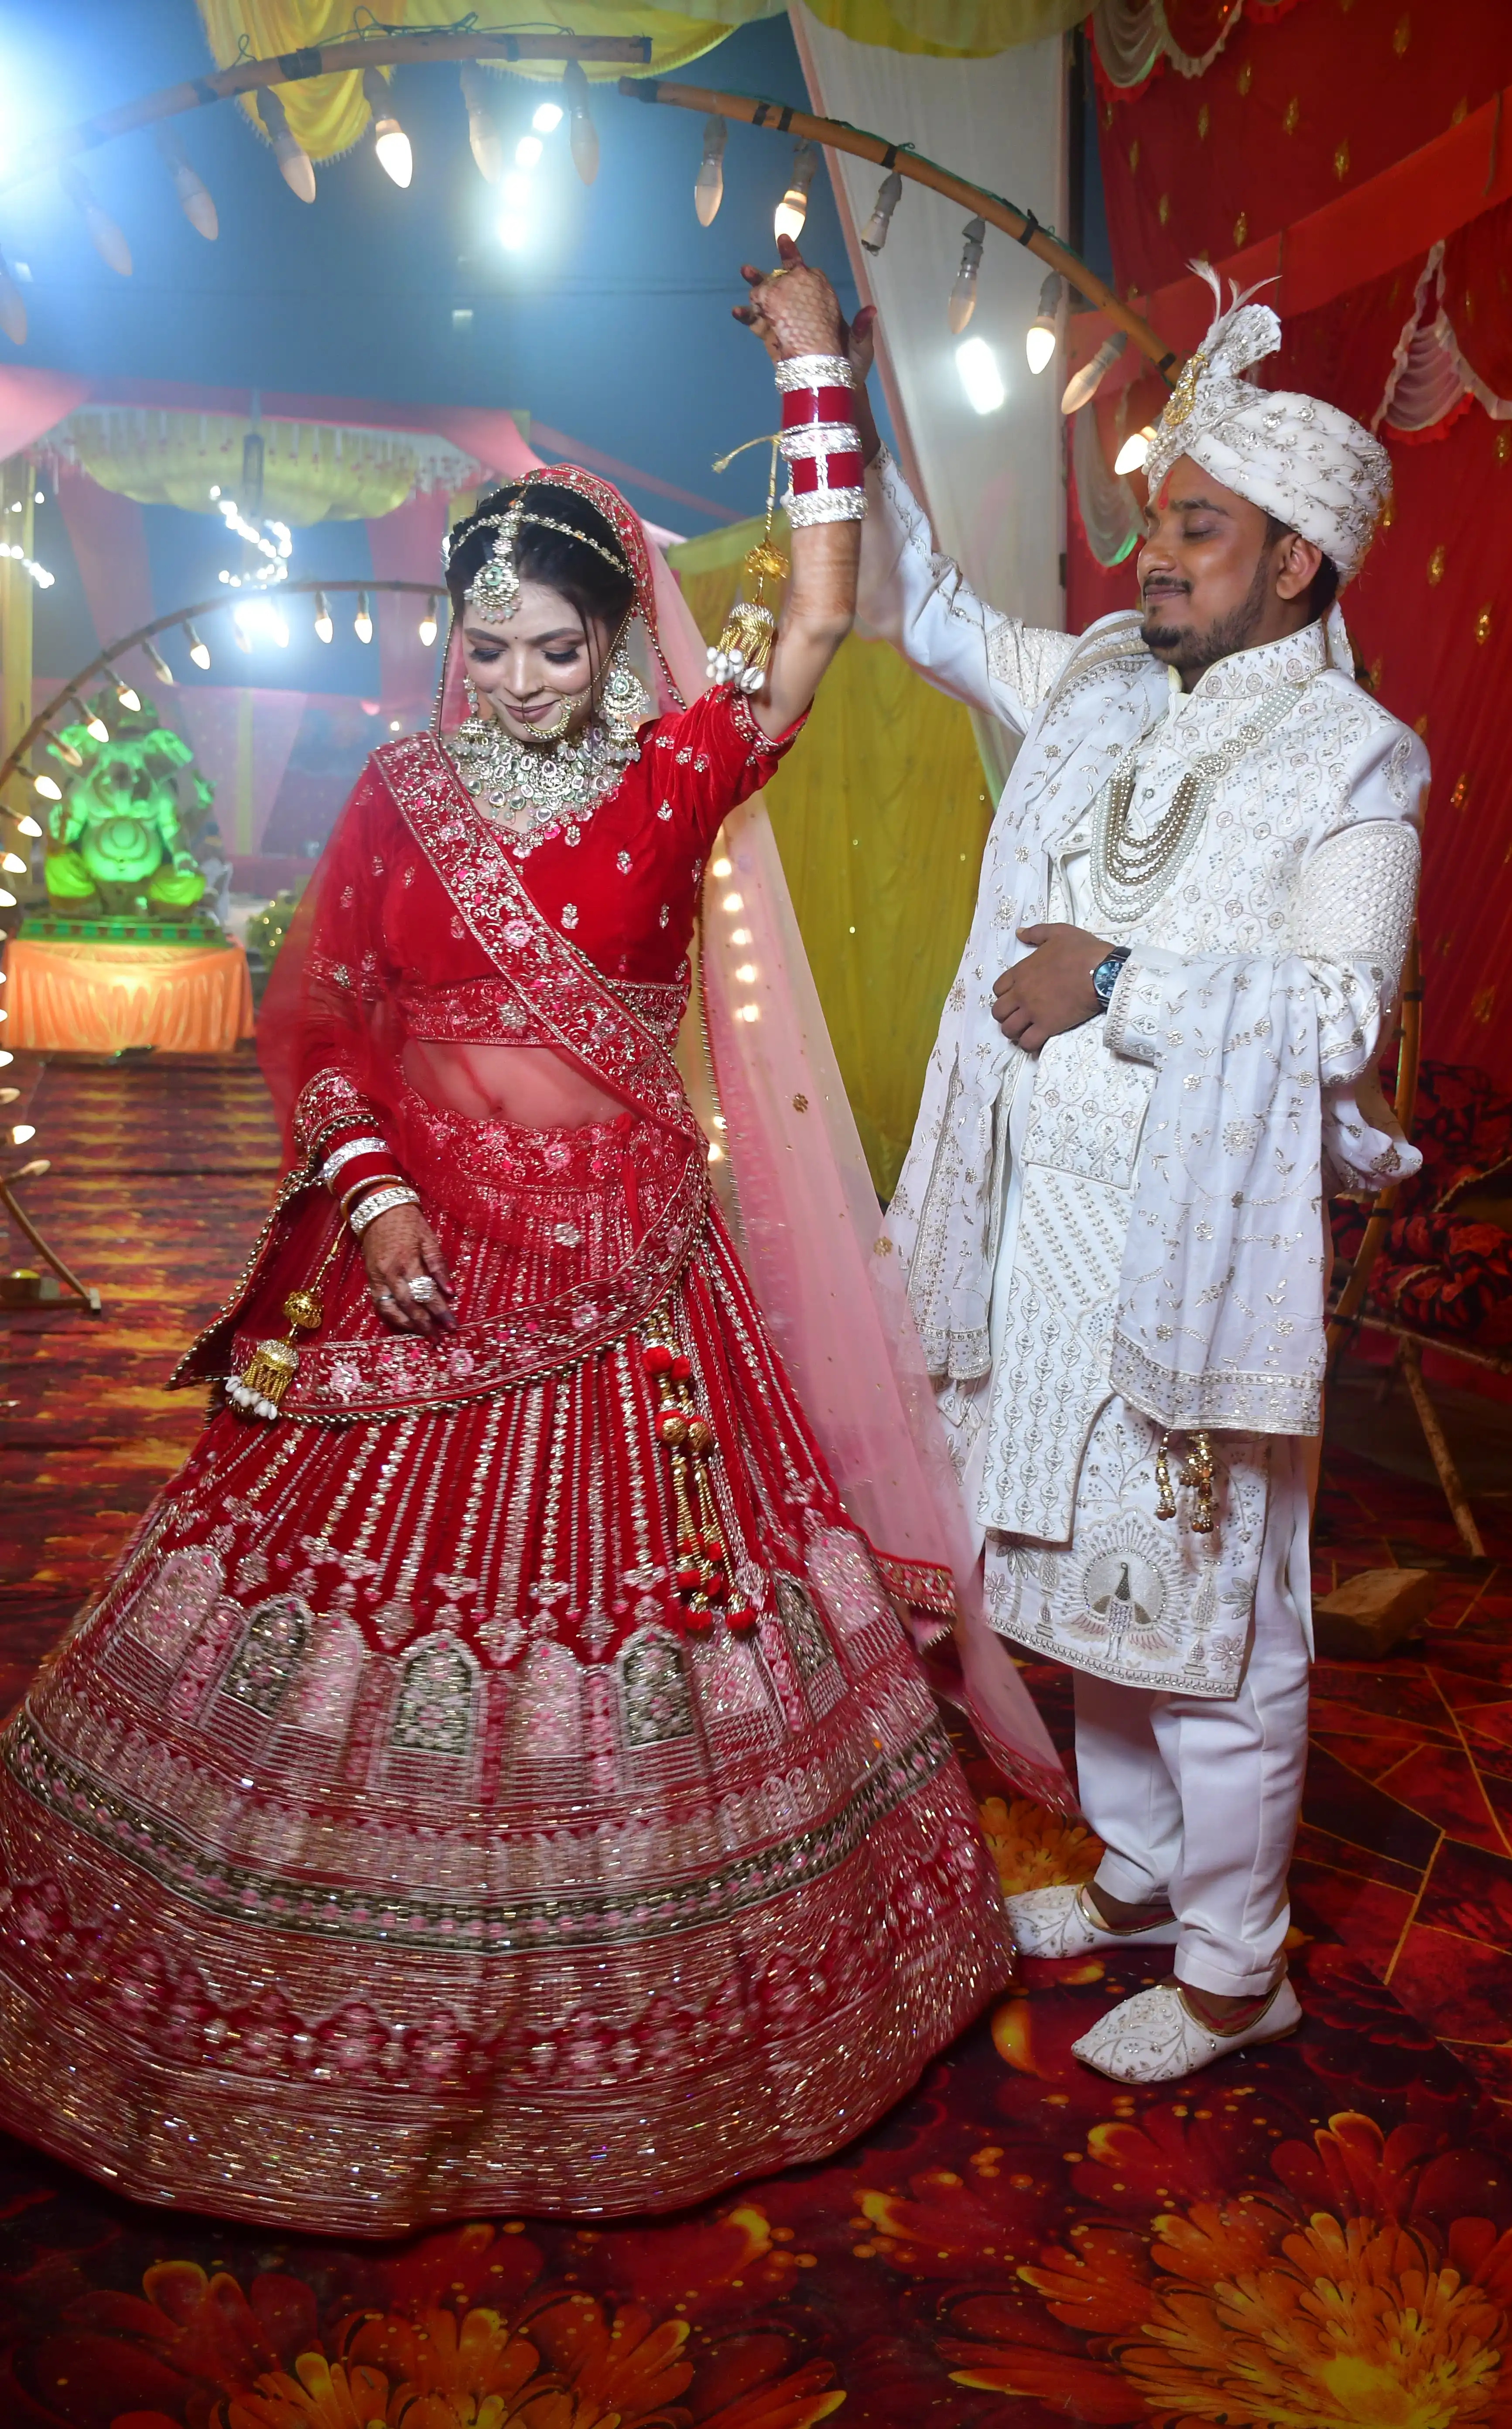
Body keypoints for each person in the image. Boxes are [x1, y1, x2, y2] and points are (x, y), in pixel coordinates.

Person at [0, 254, 1016, 2232]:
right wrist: (372, 1194)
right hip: (423, 1273)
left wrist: (819, 378)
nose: (521, 682)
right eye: (490, 649)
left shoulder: (675, 779)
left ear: (616, 643)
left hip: (634, 1284)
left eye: (558, 648)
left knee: (664, 1621)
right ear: (451, 643)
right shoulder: (395, 799)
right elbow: (319, 1025)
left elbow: (818, 622)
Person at [849, 277, 1425, 2083]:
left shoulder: (1356, 761)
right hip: (1043, 1229)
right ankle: (1139, 1872)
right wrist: (824, 375)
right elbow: (928, 612)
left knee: (1217, 1616)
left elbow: (1333, 1013)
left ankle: (1243, 1968)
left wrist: (1100, 977)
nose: (1149, 553)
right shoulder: (1102, 679)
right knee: (1074, 1577)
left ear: (1296, 567)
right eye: (1153, 517)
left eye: (1196, 527)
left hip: (1199, 1254)